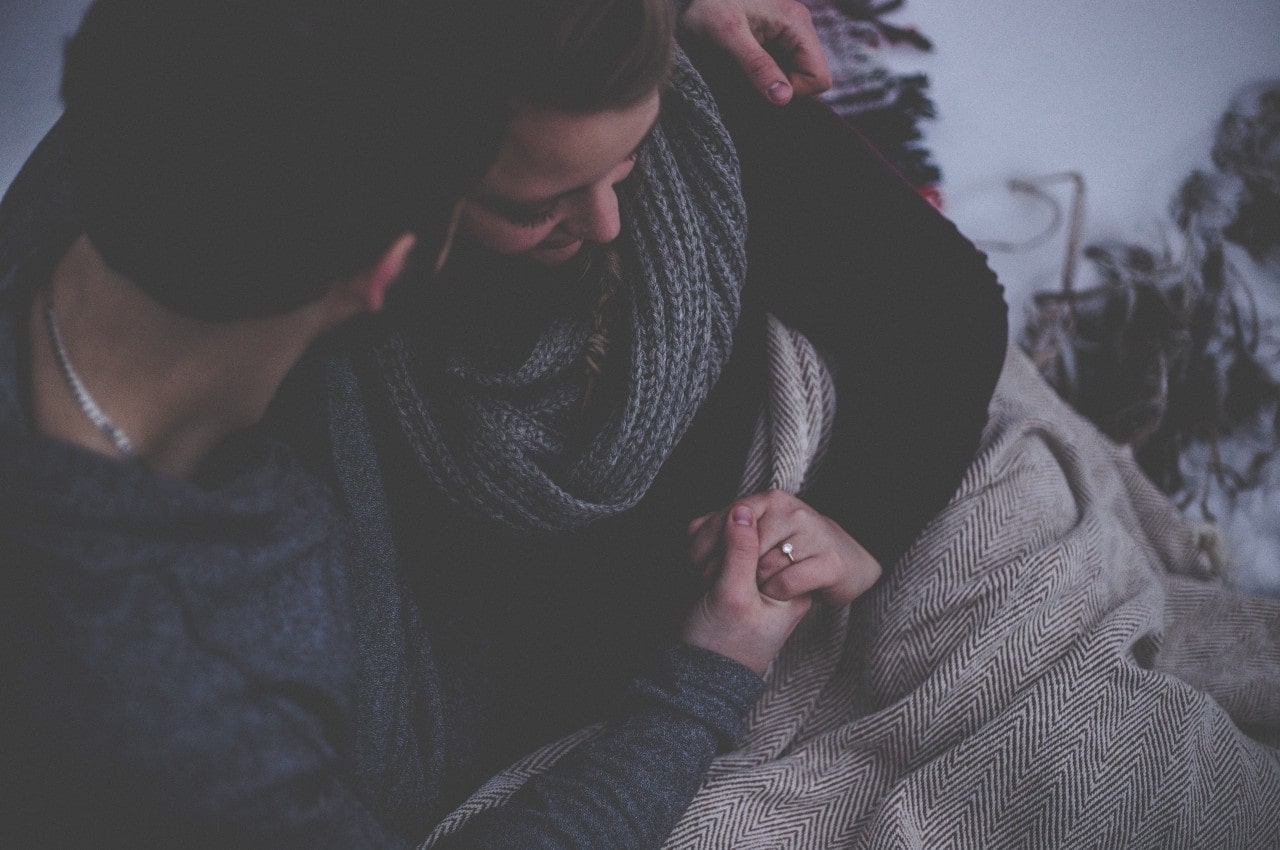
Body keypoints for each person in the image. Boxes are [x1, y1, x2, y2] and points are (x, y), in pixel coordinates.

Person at [321, 1, 1280, 848]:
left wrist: (854, 521)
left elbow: (942, 302)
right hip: (660, 682)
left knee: (1092, 748)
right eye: (535, 204)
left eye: (627, 161)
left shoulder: (696, 109)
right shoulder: (349, 353)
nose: (609, 222)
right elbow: (455, 665)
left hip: (850, 480)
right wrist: (707, 662)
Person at [0, 0, 844, 847]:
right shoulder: (204, 713)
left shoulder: (140, 124)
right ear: (390, 270)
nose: (602, 224)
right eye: (523, 205)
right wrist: (704, 687)